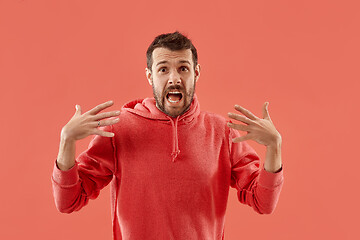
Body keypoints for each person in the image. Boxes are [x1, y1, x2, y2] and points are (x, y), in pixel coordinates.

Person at [51, 31, 284, 240]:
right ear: (150, 76)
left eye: (183, 68)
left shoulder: (222, 132)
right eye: (163, 69)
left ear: (196, 73)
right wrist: (66, 142)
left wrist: (274, 147)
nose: (174, 78)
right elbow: (68, 201)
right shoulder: (119, 129)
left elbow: (263, 202)